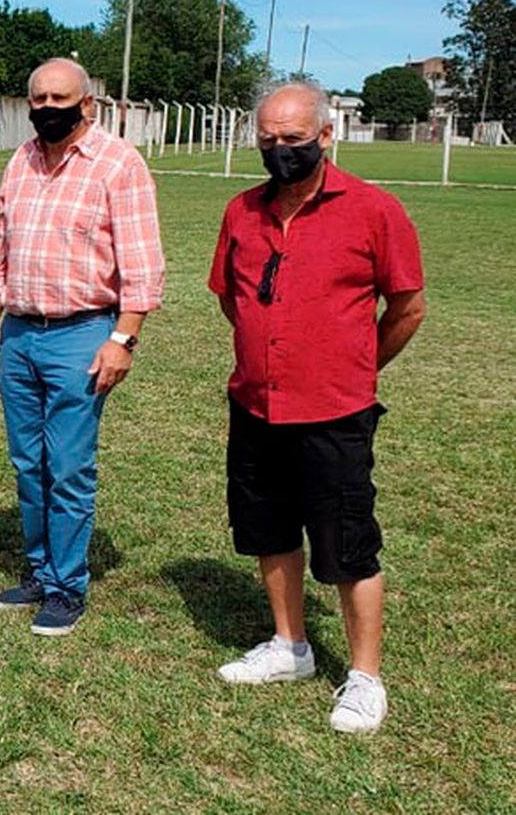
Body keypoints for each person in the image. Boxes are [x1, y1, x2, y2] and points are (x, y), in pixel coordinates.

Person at [208, 82, 426, 735]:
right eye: (269, 141)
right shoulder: (241, 212)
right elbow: (232, 298)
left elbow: (408, 308)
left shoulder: (373, 211)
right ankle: (290, 645)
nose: (281, 152)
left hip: (335, 412)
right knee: (268, 529)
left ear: (326, 137)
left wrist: (355, 364)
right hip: (255, 406)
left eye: (294, 140)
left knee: (347, 545)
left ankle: (364, 676)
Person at [0, 58, 165, 635]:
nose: (48, 108)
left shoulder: (119, 165)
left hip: (83, 334)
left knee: (69, 467)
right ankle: (39, 569)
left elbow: (143, 267)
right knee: (29, 463)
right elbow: (0, 255)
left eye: (61, 98)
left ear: (88, 105)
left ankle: (67, 585)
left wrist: (122, 338)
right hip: (21, 334)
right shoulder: (21, 162)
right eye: (39, 99)